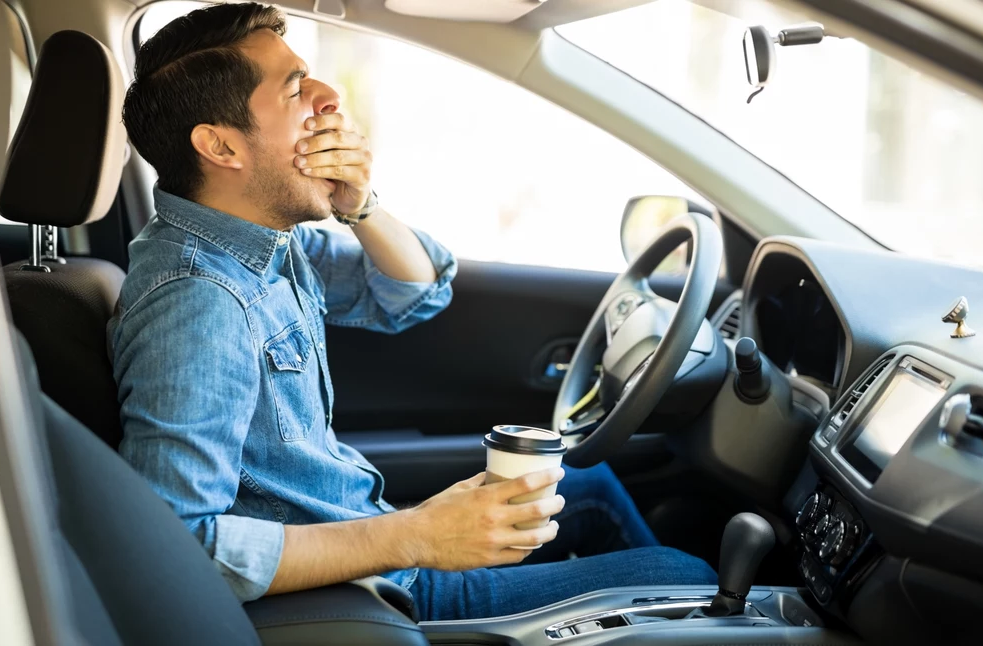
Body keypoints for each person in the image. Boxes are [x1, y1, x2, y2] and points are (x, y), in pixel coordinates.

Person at [110, 1, 716, 622]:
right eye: (295, 91)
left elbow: (414, 290)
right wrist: (419, 535)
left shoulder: (259, 242)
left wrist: (361, 205)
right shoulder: (199, 303)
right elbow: (180, 546)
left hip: (368, 534)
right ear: (219, 145)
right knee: (684, 579)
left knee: (591, 487)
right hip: (376, 587)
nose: (327, 98)